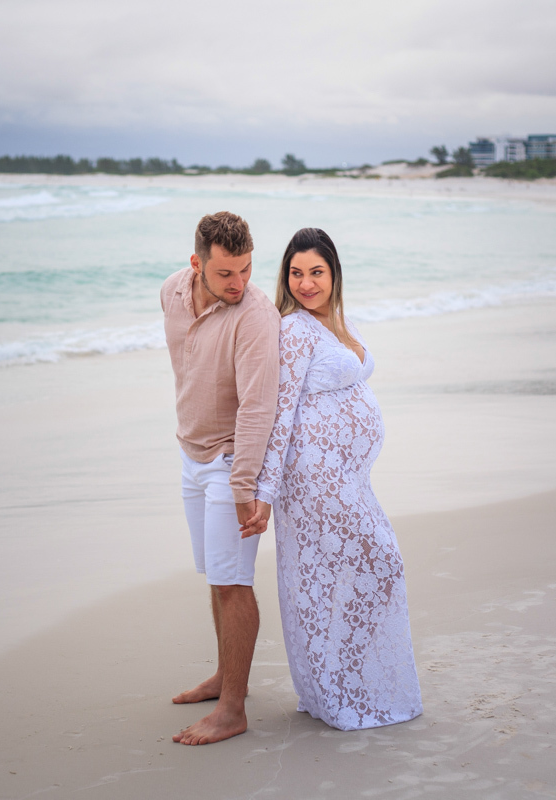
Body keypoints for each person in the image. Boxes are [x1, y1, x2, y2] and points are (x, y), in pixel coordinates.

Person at [253, 227, 422, 731]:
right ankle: (338, 688)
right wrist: (264, 490)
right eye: (296, 273)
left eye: (316, 272)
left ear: (334, 274)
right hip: (315, 481)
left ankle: (346, 682)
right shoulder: (294, 330)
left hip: (349, 479)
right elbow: (279, 413)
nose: (306, 283)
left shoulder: (334, 323)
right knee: (363, 569)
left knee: (352, 578)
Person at [160, 211, 280, 745]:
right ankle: (224, 678)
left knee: (233, 581)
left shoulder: (255, 316)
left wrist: (244, 486)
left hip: (232, 459)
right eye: (226, 273)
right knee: (215, 573)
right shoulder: (171, 293)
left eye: (247, 270)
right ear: (196, 265)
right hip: (190, 452)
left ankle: (233, 708)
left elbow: (258, 407)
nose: (239, 284)